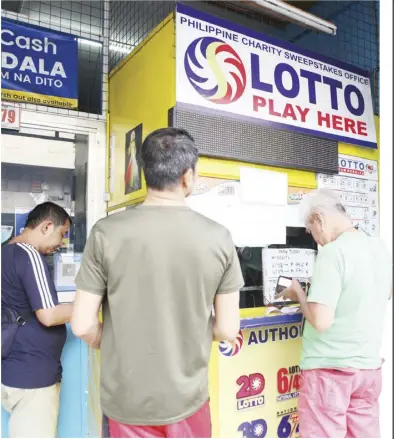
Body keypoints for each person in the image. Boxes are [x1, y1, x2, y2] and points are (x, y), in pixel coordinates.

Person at [71, 127, 243, 438]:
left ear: (143, 171)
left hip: (125, 403)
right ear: (188, 176)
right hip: (188, 401)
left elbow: (82, 325)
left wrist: (109, 342)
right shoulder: (219, 238)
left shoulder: (106, 233)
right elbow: (228, 329)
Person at [280, 189, 391, 438]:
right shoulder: (379, 247)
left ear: (319, 218)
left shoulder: (333, 253)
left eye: (310, 230)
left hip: (330, 372)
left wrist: (298, 293)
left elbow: (321, 321)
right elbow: (383, 294)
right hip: (368, 370)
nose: (315, 239)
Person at [1, 202, 73, 438]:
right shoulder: (29, 254)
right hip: (32, 377)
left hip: (11, 370)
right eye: (61, 234)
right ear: (46, 226)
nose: (61, 243)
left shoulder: (5, 251)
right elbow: (49, 315)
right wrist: (90, 305)